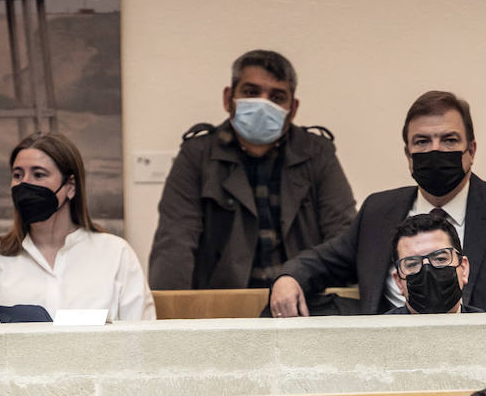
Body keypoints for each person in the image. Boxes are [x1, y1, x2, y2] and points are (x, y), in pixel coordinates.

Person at [269, 90, 486, 316]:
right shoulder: (380, 211)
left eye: (449, 140)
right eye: (422, 142)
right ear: (408, 155)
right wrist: (288, 277)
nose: (435, 150)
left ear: (470, 150)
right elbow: (322, 261)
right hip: (392, 360)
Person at [148, 49, 356, 293]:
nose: (263, 103)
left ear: (293, 108)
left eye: (277, 97)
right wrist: (171, 321)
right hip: (223, 309)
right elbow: (175, 241)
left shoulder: (317, 153)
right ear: (228, 98)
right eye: (251, 92)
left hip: (306, 303)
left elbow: (344, 236)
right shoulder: (198, 155)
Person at [0, 132, 156, 320]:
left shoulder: (115, 253)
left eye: (38, 174)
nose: (25, 184)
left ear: (70, 186)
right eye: (17, 175)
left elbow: (142, 334)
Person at [384, 212, 482, 314]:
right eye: (413, 264)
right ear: (398, 281)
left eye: (440, 259)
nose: (427, 269)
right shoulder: (377, 329)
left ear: (464, 268)